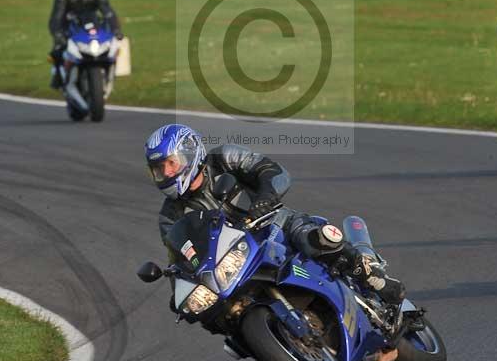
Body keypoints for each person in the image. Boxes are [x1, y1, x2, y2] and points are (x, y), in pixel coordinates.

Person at [144, 124, 405, 311]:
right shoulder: (170, 216)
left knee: (315, 239)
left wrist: (265, 197)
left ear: (190, 154)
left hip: (272, 225)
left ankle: (372, 276)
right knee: (218, 317)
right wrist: (179, 288)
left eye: (171, 163)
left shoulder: (223, 158)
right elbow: (180, 257)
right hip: (234, 266)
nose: (165, 173)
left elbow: (273, 171)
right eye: (158, 168)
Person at [48, 0, 123, 88]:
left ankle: (109, 73)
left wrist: (116, 29)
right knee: (57, 51)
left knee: (113, 47)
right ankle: (59, 76)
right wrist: (58, 35)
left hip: (92, 26)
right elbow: (56, 17)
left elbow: (108, 12)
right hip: (70, 26)